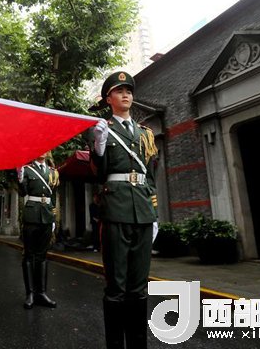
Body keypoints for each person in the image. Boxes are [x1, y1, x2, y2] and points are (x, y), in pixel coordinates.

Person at [90, 71, 159, 349]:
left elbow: (150, 176)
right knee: (117, 286)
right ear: (109, 99)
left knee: (139, 286)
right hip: (116, 209)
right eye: (119, 91)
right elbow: (98, 174)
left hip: (142, 210)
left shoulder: (145, 134)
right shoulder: (102, 129)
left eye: (128, 90)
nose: (126, 94)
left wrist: (154, 213)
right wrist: (99, 147)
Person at [16, 152, 59, 309]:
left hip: (47, 216)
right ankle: (30, 293)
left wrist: (53, 217)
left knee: (42, 255)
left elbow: (53, 196)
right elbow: (23, 192)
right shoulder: (27, 170)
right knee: (29, 255)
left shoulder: (53, 172)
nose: (43, 151)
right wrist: (20, 176)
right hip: (31, 215)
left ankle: (41, 293)